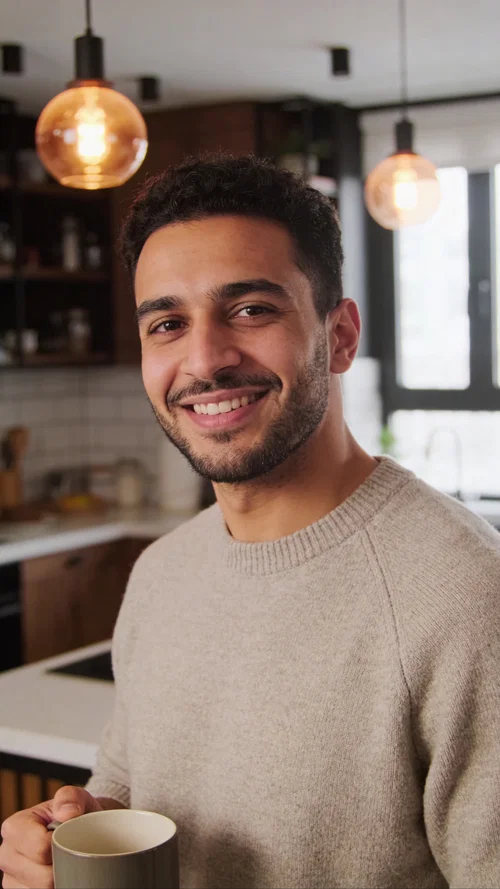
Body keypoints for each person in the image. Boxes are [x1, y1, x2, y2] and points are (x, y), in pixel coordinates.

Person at [1, 155, 500, 889]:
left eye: (251, 310)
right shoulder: (161, 572)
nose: (204, 360)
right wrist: (75, 830)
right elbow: (130, 785)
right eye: (167, 323)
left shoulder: (464, 594)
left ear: (340, 335)